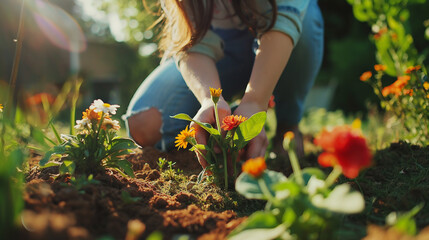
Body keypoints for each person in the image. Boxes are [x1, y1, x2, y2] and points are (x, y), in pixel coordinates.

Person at [123, 0, 324, 168]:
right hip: (223, 49)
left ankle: (287, 127)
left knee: (306, 20)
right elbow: (194, 42)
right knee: (144, 124)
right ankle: (226, 125)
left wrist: (255, 102)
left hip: (279, 37)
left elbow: (284, 20)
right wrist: (209, 101)